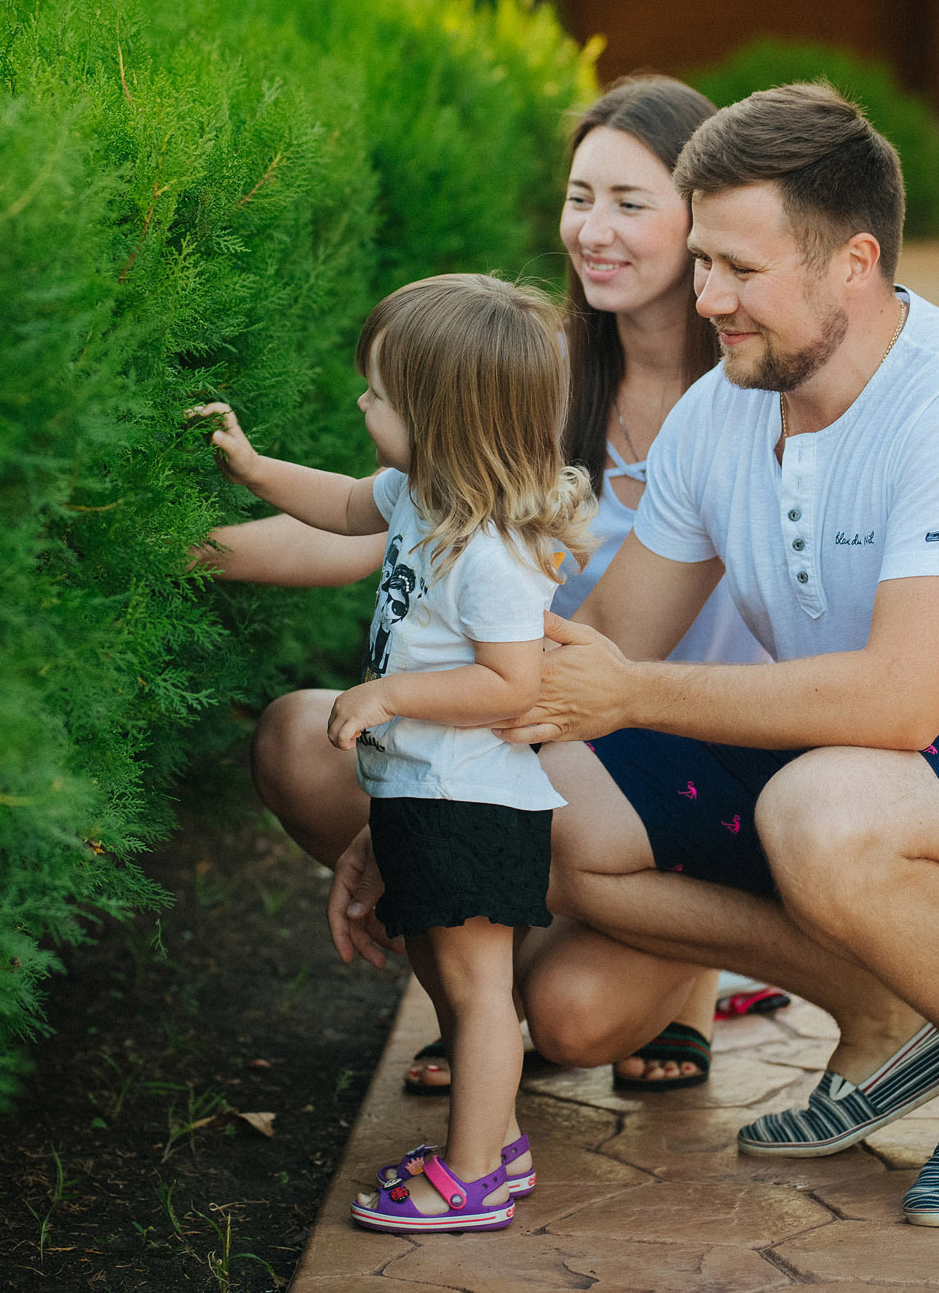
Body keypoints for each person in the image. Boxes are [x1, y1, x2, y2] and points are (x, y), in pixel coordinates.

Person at [330, 83, 939, 1227]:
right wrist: (408, 800)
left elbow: (901, 701)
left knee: (823, 808)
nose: (709, 298)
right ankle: (888, 1015)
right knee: (549, 801)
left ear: (852, 263)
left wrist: (631, 693)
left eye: (738, 269)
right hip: (833, 765)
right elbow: (600, 648)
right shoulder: (724, 408)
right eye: (704, 265)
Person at [202, 76, 777, 1093]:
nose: (590, 231)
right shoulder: (532, 371)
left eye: (629, 204)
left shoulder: (753, 395)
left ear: (704, 220)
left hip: (671, 766)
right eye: (577, 196)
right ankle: (477, 1013)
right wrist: (183, 546)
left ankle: (686, 967)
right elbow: (376, 525)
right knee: (302, 734)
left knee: (576, 1019)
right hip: (528, 736)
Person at [191, 273, 595, 1233]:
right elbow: (338, 506)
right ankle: (486, 1147)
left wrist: (390, 694)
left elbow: (513, 685)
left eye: (378, 394)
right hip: (426, 789)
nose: (361, 403)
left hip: (472, 801)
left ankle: (474, 1179)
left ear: (443, 418)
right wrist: (254, 470)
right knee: (459, 988)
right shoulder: (420, 497)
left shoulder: (492, 554)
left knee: (476, 995)